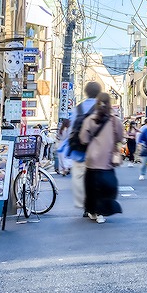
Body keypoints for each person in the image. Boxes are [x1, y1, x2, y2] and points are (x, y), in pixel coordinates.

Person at [78, 92, 124, 223]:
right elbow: (120, 137)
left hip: (91, 159)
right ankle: (101, 213)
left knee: (92, 188)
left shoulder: (90, 119)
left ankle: (92, 211)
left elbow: (83, 139)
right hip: (107, 160)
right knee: (107, 188)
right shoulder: (115, 120)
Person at [65, 81, 101, 212]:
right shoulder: (101, 108)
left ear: (86, 93)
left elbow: (71, 131)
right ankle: (95, 206)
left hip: (79, 150)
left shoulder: (77, 109)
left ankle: (85, 205)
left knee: (79, 178)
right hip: (97, 151)